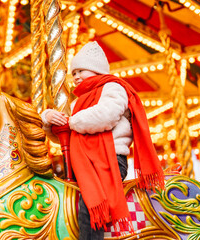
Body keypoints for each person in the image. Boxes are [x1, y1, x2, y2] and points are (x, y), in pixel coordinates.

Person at [41, 41, 164, 239]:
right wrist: (48, 119)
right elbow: (64, 137)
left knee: (89, 205)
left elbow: (105, 116)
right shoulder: (78, 102)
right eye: (73, 73)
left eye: (81, 70)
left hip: (110, 160)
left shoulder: (113, 88)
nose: (76, 76)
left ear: (96, 69)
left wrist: (71, 121)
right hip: (83, 163)